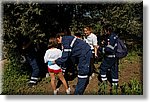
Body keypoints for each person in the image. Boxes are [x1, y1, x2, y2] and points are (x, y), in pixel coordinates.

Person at [98, 24, 119, 94]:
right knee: (114, 69)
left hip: (110, 57)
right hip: (115, 56)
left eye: (105, 30)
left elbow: (109, 49)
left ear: (108, 30)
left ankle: (104, 82)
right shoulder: (115, 36)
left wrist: (100, 48)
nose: (104, 31)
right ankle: (115, 84)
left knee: (103, 68)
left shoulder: (112, 37)